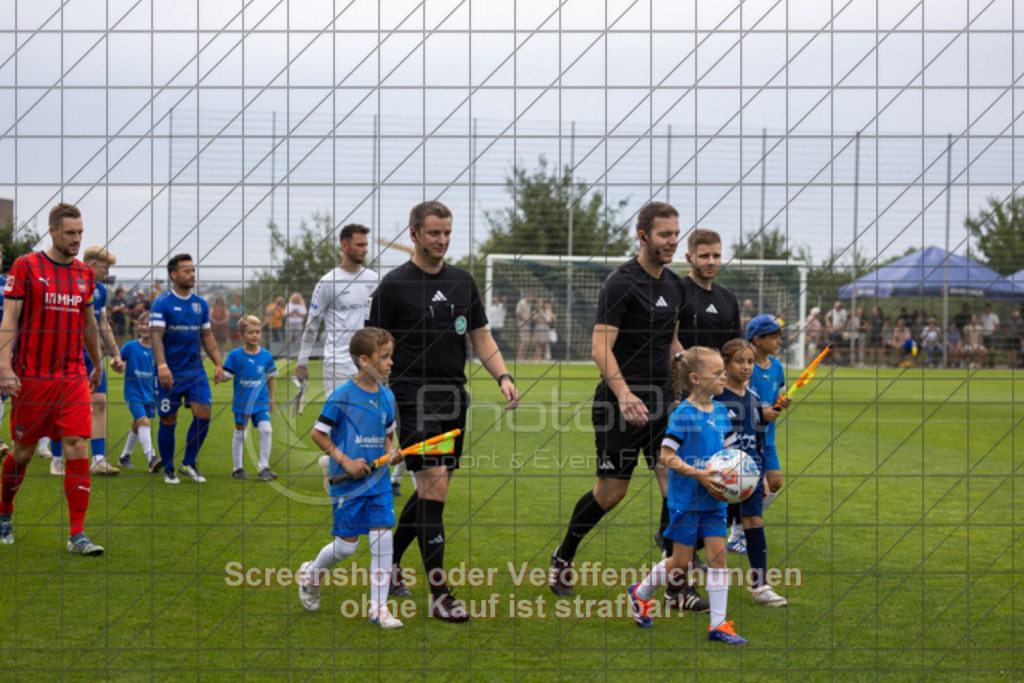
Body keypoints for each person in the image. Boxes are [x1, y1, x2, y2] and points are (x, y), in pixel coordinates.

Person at [548, 202, 709, 610]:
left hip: (663, 405)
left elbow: (671, 346)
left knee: (676, 487)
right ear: (643, 237)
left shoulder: (675, 286)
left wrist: (696, 373)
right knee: (610, 493)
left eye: (676, 234)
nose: (673, 241)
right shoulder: (620, 284)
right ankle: (564, 554)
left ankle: (676, 585)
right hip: (618, 403)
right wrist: (623, 393)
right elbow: (600, 347)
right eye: (664, 235)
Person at [369, 200, 518, 622]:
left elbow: (480, 336)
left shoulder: (463, 282)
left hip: (455, 396)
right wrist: (373, 400)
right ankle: (440, 595)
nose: (442, 240)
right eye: (434, 233)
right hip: (412, 396)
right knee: (435, 491)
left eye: (448, 232)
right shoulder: (394, 287)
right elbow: (373, 348)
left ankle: (391, 566)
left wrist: (503, 375)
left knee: (429, 492)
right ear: (414, 233)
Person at [0, 202, 106, 554]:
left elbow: (89, 323)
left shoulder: (84, 274)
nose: (77, 239)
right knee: (24, 452)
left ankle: (77, 534)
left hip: (72, 376)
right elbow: (10, 320)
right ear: (53, 232)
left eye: (80, 233)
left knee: (77, 444)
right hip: (32, 378)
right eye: (70, 233)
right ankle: (4, 511)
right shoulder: (26, 266)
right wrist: (4, 367)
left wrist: (97, 363)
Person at [626, 347, 746, 644]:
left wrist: (743, 476)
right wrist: (701, 475)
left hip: (716, 499)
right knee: (680, 562)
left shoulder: (721, 412)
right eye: (717, 373)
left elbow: (731, 453)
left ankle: (718, 625)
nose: (724, 377)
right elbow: (666, 457)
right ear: (695, 378)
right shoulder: (683, 414)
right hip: (687, 501)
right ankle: (639, 594)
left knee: (719, 560)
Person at [297, 327, 405, 629]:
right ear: (363, 359)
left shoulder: (387, 394)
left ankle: (378, 609)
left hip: (380, 482)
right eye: (384, 357)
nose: (390, 362)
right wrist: (346, 461)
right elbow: (318, 434)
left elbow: (387, 436)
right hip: (348, 481)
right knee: (346, 547)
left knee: (383, 540)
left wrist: (392, 453)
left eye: (391, 356)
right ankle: (312, 574)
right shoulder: (342, 395)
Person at [295, 224, 380, 489]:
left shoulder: (374, 280)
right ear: (344, 246)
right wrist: (301, 362)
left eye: (366, 244)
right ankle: (340, 473)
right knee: (343, 420)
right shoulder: (328, 282)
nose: (364, 249)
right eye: (359, 244)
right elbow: (312, 325)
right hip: (337, 361)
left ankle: (344, 467)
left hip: (368, 363)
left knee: (368, 417)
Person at [716, 338, 786, 606]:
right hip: (720, 479)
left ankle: (760, 587)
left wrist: (762, 476)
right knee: (709, 532)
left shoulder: (754, 399)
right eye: (739, 361)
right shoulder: (717, 398)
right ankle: (675, 568)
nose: (745, 367)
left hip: (750, 477)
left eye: (749, 361)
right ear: (725, 363)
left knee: (754, 522)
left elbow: (757, 439)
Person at [50, 246, 127, 476]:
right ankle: (56, 458)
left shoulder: (100, 291)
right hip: (66, 356)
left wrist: (115, 353)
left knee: (100, 403)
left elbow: (102, 323)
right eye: (106, 267)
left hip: (91, 357)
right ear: (92, 265)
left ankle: (99, 459)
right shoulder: (66, 283)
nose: (108, 272)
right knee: (61, 407)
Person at [150, 253, 225, 484]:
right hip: (169, 373)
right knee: (168, 419)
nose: (192, 274)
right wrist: (162, 366)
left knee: (204, 413)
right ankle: (169, 468)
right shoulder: (162, 303)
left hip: (195, 372)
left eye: (193, 270)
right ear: (174, 275)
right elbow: (156, 337)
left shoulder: (200, 304)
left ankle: (188, 463)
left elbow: (207, 335)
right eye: (186, 271)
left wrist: (218, 363)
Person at [741, 316, 790, 566]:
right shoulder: (747, 367)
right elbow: (740, 400)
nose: (779, 340)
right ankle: (739, 530)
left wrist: (780, 404)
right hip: (747, 439)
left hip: (767, 438)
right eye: (774, 336)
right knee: (747, 485)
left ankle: (740, 528)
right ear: (757, 340)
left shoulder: (777, 366)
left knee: (775, 482)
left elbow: (777, 393)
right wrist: (761, 413)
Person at [220, 315, 278, 481]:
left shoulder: (266, 356)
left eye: (258, 332)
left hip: (261, 401)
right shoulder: (235, 355)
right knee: (241, 434)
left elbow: (270, 378)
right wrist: (220, 376)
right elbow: (227, 375)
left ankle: (263, 468)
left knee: (266, 430)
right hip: (242, 402)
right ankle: (237, 468)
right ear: (241, 335)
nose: (255, 335)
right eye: (251, 332)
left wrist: (271, 399)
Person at [678, 229, 742, 352]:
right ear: (688, 258)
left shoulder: (728, 298)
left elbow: (736, 343)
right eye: (704, 256)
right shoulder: (677, 292)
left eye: (716, 256)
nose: (711, 262)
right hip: (687, 370)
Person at [116, 311, 159, 471]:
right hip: (133, 394)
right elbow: (118, 361)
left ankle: (124, 456)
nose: (144, 326)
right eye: (142, 323)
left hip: (150, 394)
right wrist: (118, 365)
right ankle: (152, 458)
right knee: (143, 422)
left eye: (148, 324)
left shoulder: (158, 350)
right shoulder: (130, 346)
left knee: (137, 424)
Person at [515, 293, 535, 362]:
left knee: (527, 341)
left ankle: (522, 358)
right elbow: (518, 314)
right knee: (524, 341)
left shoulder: (529, 304)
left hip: (527, 325)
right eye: (532, 297)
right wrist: (526, 321)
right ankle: (518, 358)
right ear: (528, 296)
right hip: (522, 324)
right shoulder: (521, 303)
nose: (532, 299)